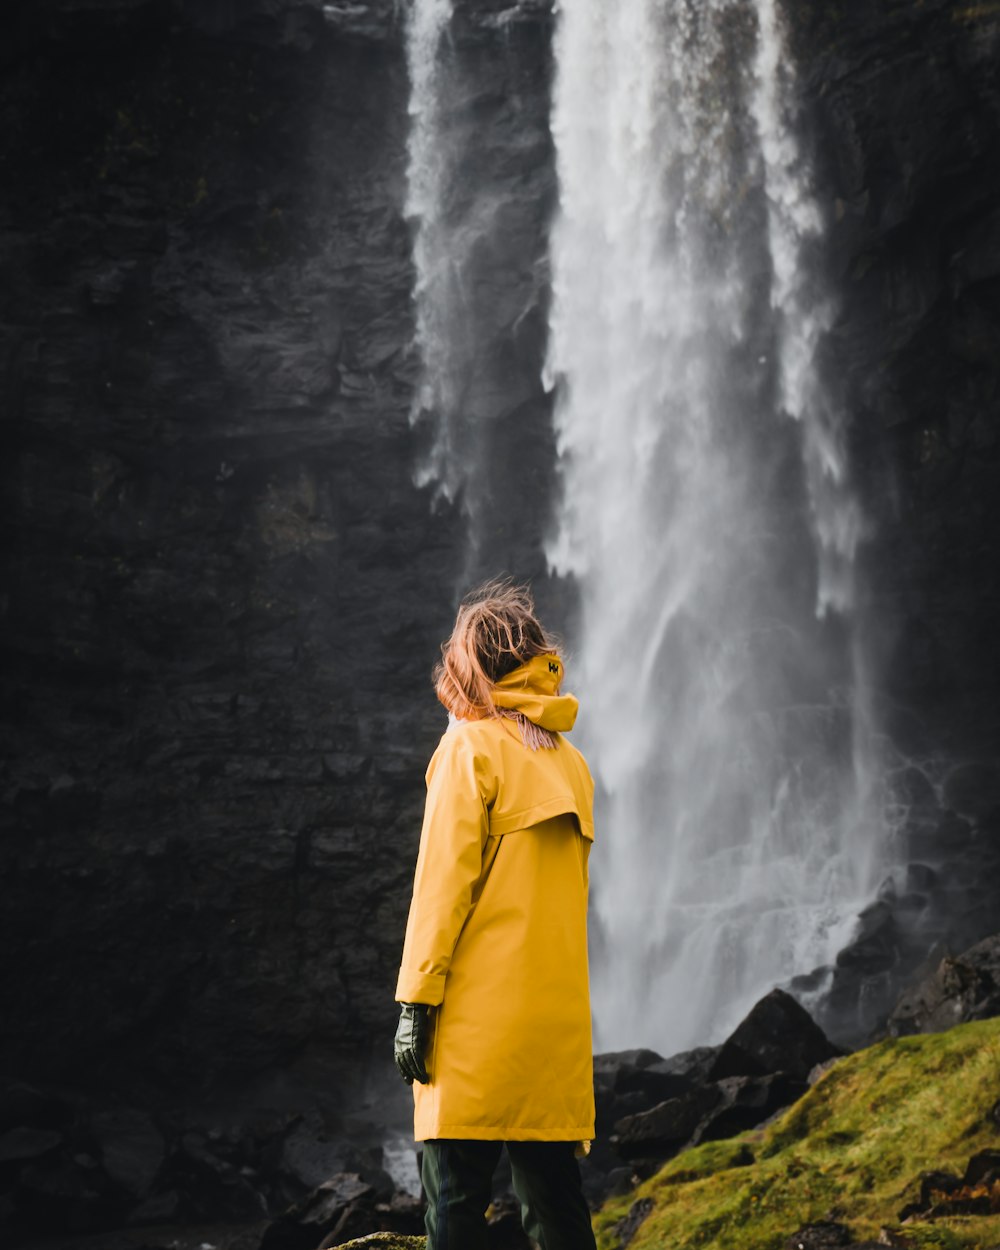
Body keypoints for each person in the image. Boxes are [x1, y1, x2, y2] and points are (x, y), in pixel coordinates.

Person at [393, 580, 598, 1250]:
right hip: (552, 1026)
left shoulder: (469, 749)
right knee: (558, 1211)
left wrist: (416, 1003)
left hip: (477, 1021)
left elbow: (441, 888)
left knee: (453, 1203)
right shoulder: (573, 765)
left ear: (470, 666)